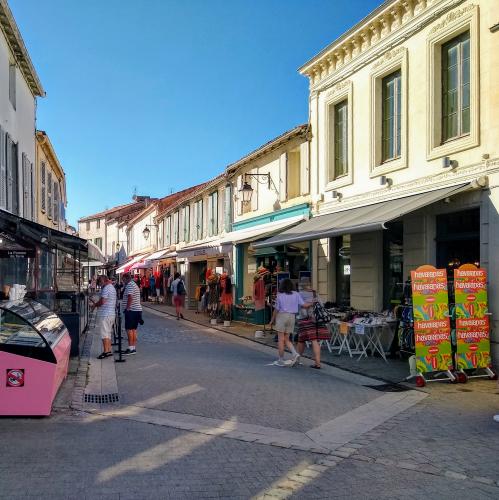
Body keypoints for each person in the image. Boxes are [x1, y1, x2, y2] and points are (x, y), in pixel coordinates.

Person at [268, 278, 310, 367]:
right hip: (292, 317)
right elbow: (304, 305)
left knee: (280, 339)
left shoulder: (280, 295)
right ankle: (295, 353)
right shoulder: (296, 294)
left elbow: (276, 309)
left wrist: (272, 320)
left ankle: (281, 359)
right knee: (287, 339)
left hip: (282, 316)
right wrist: (313, 302)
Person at [296, 290, 328, 369]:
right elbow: (322, 306)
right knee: (314, 340)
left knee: (301, 340)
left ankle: (297, 359)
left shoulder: (301, 295)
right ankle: (318, 363)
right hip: (317, 320)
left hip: (306, 320)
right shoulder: (316, 294)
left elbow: (300, 308)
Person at [90, 274, 117, 359]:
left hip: (105, 314)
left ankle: (106, 351)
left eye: (99, 282)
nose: (99, 285)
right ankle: (108, 350)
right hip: (111, 313)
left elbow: (103, 301)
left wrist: (95, 305)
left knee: (105, 333)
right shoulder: (111, 287)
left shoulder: (106, 288)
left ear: (102, 281)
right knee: (108, 333)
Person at [121, 272, 142, 355]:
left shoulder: (129, 285)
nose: (123, 281)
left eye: (123, 279)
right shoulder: (134, 284)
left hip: (132, 310)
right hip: (136, 310)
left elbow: (130, 296)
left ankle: (130, 348)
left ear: (126, 278)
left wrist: (127, 308)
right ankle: (133, 347)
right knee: (133, 329)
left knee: (129, 329)